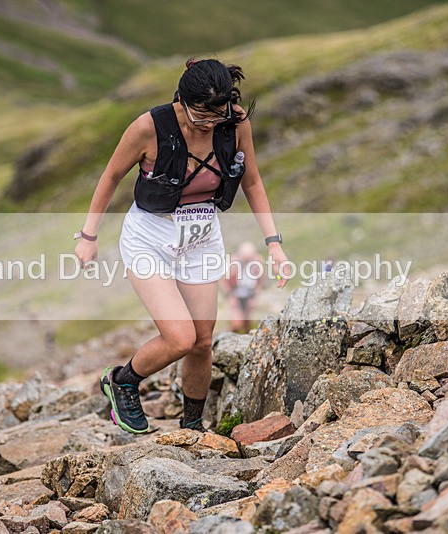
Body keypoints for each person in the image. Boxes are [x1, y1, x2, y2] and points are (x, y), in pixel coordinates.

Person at [73, 58, 290, 434]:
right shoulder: (148, 127)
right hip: (149, 238)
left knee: (202, 342)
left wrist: (273, 245)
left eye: (215, 115)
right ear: (182, 100)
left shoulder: (235, 123)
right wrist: (89, 237)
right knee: (180, 337)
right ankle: (122, 380)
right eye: (199, 115)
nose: (208, 124)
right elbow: (110, 176)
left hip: (202, 238)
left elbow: (252, 181)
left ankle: (192, 426)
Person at [222, 241, 264, 334]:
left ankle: (246, 345)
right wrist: (230, 296)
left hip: (249, 294)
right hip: (235, 294)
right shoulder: (233, 261)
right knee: (237, 324)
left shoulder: (258, 261)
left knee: (247, 324)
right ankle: (226, 338)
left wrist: (255, 296)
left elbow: (261, 279)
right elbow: (224, 279)